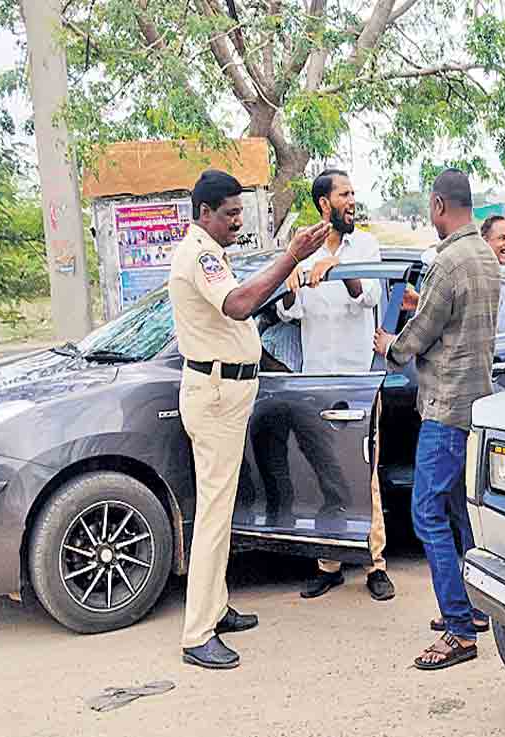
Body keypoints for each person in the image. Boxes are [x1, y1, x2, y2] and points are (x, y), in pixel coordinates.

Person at [170, 170, 330, 670]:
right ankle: (197, 633)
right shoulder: (199, 254)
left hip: (227, 391)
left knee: (222, 507)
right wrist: (291, 258)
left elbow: (245, 301)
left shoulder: (212, 254)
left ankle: (214, 609)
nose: (239, 221)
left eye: (241, 212)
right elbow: (238, 305)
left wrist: (285, 277)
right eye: (231, 214)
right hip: (216, 392)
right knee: (215, 514)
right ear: (204, 214)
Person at [373, 169, 499, 670]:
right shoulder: (486, 257)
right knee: (455, 510)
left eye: (430, 208)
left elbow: (415, 340)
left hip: (444, 409)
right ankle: (476, 606)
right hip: (474, 404)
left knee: (427, 513)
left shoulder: (446, 263)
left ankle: (459, 630)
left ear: (441, 205)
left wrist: (391, 344)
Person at [269, 169, 396, 603]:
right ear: (324, 203)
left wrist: (341, 269)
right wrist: (288, 285)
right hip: (316, 382)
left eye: (353, 193)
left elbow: (372, 297)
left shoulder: (365, 246)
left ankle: (376, 564)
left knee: (366, 474)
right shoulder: (303, 252)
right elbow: (290, 312)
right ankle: (329, 563)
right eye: (344, 194)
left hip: (358, 381)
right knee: (322, 473)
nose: (352, 200)